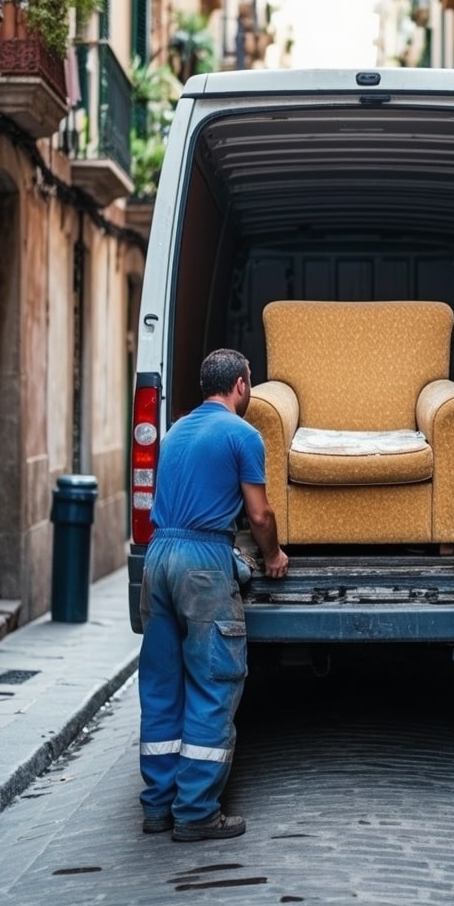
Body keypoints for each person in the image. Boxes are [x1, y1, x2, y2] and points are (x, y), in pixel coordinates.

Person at [138, 348, 289, 842]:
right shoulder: (243, 435)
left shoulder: (176, 430)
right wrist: (272, 557)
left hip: (159, 556)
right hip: (202, 564)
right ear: (242, 385)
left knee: (162, 685)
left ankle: (158, 807)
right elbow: (260, 514)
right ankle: (197, 812)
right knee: (212, 681)